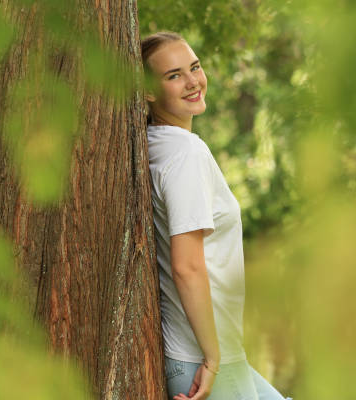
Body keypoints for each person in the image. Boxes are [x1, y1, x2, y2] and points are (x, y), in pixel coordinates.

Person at [141, 32, 292, 400]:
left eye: (194, 67)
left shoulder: (154, 142)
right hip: (203, 361)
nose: (193, 81)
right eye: (174, 75)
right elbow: (187, 267)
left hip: (213, 353)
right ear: (146, 91)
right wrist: (212, 360)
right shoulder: (185, 155)